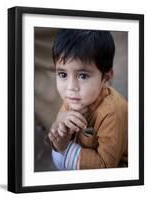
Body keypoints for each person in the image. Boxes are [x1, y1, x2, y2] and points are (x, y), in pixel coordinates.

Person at [48, 29, 128, 170]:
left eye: (83, 76)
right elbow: (57, 136)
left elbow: (106, 165)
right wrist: (60, 124)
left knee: (61, 155)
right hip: (84, 149)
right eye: (62, 74)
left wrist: (65, 148)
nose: (71, 87)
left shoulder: (111, 113)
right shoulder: (75, 97)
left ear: (106, 78)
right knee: (56, 153)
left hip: (122, 163)